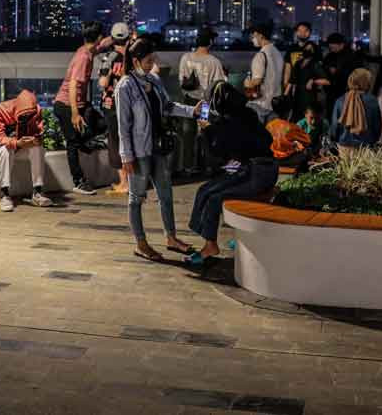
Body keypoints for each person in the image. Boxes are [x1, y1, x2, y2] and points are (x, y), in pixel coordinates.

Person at [116, 37, 199, 262]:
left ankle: (171, 238)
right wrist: (126, 156)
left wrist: (193, 111)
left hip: (158, 148)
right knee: (136, 199)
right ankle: (141, 243)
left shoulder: (153, 80)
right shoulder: (125, 86)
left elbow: (169, 106)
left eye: (153, 59)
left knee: (166, 195)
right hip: (139, 152)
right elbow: (123, 126)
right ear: (135, 61)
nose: (153, 63)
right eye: (148, 60)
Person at [187, 81, 277, 264]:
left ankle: (210, 245)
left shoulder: (227, 122)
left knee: (213, 196)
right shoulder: (248, 113)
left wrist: (207, 132)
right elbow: (262, 142)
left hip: (255, 173)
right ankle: (210, 239)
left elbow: (216, 155)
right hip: (262, 167)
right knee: (210, 187)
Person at [54, 21, 110, 195]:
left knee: (103, 124)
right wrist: (75, 113)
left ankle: (84, 141)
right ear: (98, 37)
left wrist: (118, 38)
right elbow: (72, 84)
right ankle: (78, 182)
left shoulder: (88, 49)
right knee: (72, 143)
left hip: (80, 104)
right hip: (66, 105)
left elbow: (104, 44)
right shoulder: (83, 57)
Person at [0, 89, 51, 211]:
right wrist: (16, 143)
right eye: (23, 115)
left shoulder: (36, 111)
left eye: (30, 115)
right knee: (6, 150)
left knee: (38, 148)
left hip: (21, 145)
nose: (27, 117)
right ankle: (5, 194)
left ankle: (37, 193)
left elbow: (38, 132)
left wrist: (36, 140)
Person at [178, 28, 226, 175]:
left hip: (188, 101)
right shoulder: (214, 62)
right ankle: (207, 165)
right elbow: (219, 84)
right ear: (210, 42)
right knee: (205, 132)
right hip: (205, 103)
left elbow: (181, 80)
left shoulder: (186, 58)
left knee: (187, 134)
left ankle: (188, 167)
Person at [98, 21, 132, 192]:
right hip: (130, 104)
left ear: (112, 38)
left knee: (115, 142)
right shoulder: (133, 57)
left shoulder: (109, 57)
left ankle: (123, 183)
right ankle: (132, 181)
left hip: (112, 105)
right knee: (128, 140)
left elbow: (103, 82)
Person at [330, 68, 382, 151]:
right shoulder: (372, 101)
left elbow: (335, 127)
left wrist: (336, 140)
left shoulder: (340, 100)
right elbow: (377, 127)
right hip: (365, 147)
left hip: (344, 146)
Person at [244, 22, 284, 123]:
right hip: (275, 104)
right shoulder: (278, 54)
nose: (252, 39)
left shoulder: (261, 55)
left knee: (254, 136)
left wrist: (247, 82)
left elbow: (257, 81)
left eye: (254, 36)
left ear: (260, 36)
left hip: (260, 104)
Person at [323, 32, 364, 116]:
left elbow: (357, 73)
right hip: (331, 91)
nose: (331, 49)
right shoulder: (329, 56)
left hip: (346, 91)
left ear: (341, 45)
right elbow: (324, 68)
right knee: (332, 114)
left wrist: (337, 72)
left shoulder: (352, 56)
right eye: (330, 47)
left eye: (333, 46)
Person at [288, 40, 330, 122]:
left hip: (309, 98)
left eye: (310, 49)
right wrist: (285, 96)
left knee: (307, 122)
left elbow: (327, 81)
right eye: (306, 48)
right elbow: (292, 81)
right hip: (297, 97)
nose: (307, 50)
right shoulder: (298, 63)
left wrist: (313, 81)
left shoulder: (315, 64)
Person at [267, 95, 312, 170]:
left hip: (273, 159)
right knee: (306, 151)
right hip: (287, 160)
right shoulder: (291, 127)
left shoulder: (269, 126)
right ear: (289, 111)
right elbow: (308, 141)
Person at [281, 22, 314, 93]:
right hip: (293, 86)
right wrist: (285, 83)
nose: (303, 33)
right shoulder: (291, 49)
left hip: (309, 88)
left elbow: (317, 68)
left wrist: (312, 79)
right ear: (296, 33)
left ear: (310, 32)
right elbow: (288, 67)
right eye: (300, 31)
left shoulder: (315, 48)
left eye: (306, 31)